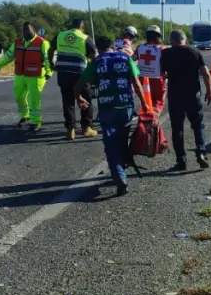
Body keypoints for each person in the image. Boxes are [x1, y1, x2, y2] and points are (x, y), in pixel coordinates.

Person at [76, 35, 150, 196]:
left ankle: (120, 176)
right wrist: (144, 104)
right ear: (112, 46)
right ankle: (121, 170)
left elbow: (80, 82)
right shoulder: (125, 57)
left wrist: (79, 97)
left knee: (110, 145)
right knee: (122, 141)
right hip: (125, 106)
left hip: (107, 107)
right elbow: (136, 82)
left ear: (98, 48)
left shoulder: (96, 62)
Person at [160, 29, 211, 170]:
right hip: (193, 96)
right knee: (198, 126)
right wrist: (209, 91)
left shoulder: (166, 54)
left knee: (177, 129)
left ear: (171, 41)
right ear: (185, 40)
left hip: (175, 97)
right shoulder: (194, 52)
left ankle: (181, 160)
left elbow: (161, 75)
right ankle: (201, 153)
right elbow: (206, 74)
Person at [0, 21, 52, 132]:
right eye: (24, 30)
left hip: (36, 76)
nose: (25, 32)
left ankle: (36, 121)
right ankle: (25, 115)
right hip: (20, 75)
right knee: (19, 96)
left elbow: (48, 59)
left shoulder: (42, 43)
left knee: (34, 99)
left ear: (33, 30)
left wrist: (49, 72)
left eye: (28, 30)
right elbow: (8, 56)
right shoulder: (18, 43)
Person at [49, 18, 99, 140]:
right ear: (82, 27)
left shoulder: (60, 35)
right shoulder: (85, 38)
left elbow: (51, 49)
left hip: (63, 72)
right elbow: (94, 56)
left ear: (71, 26)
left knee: (68, 101)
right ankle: (87, 128)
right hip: (80, 74)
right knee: (86, 99)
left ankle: (70, 130)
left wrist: (52, 63)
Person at [135, 25, 166, 113]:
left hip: (142, 79)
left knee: (145, 101)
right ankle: (153, 120)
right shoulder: (161, 49)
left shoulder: (139, 47)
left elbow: (133, 60)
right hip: (157, 79)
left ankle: (144, 119)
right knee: (158, 102)